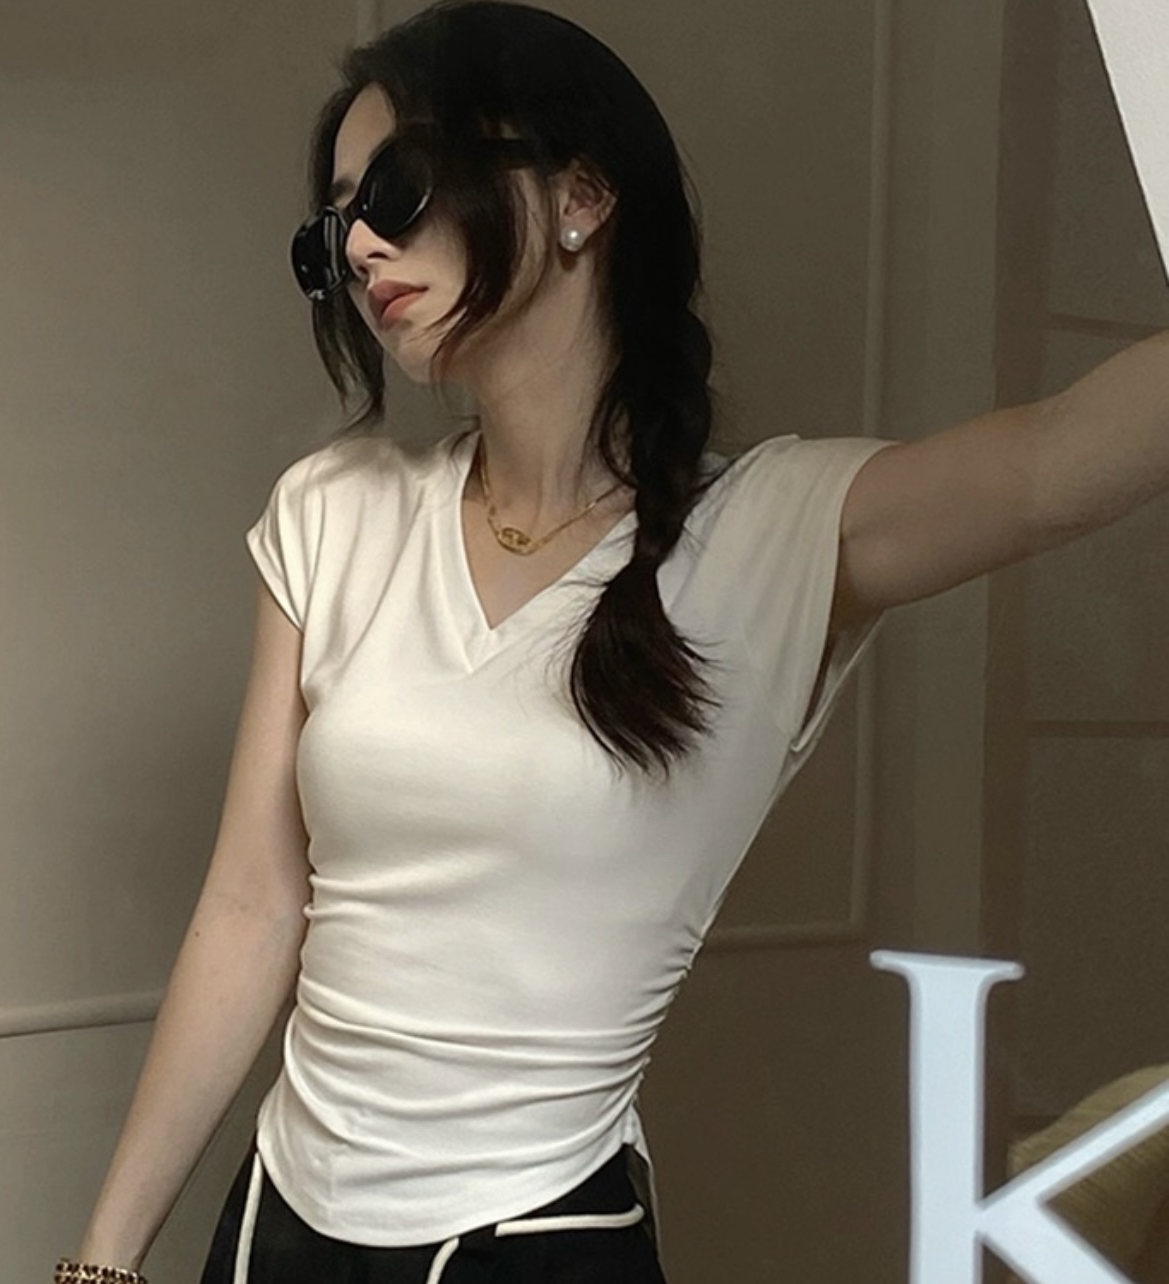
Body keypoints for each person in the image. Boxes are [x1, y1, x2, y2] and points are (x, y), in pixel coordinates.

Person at [58, 3, 1169, 1282]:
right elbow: (254, 907)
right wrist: (102, 1259)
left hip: (538, 1241)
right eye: (333, 230)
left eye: (399, 189)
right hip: (276, 1228)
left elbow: (1063, 463)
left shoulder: (771, 532)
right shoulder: (333, 513)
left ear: (580, 196)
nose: (360, 246)